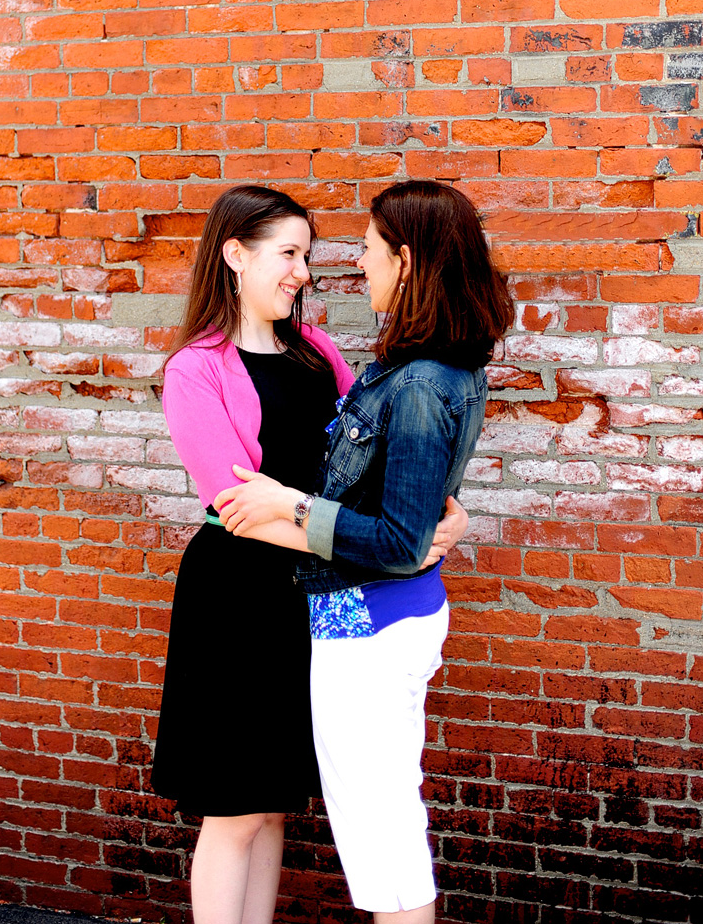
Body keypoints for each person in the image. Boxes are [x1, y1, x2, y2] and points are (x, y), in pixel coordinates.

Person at [150, 184, 467, 924]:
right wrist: (393, 546)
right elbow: (240, 508)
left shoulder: (316, 348)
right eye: (287, 253)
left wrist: (442, 517)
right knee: (233, 810)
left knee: (273, 804)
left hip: (313, 598)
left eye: (307, 254)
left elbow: (377, 463)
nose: (303, 271)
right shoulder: (195, 370)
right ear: (235, 253)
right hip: (236, 599)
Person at [214, 180, 514, 924]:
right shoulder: (425, 368)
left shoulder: (417, 383)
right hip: (375, 620)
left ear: (406, 262)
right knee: (386, 826)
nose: (359, 267)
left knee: (381, 840)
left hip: (369, 626)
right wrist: (450, 519)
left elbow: (397, 539)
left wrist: (292, 505)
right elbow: (413, 508)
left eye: (373, 252)